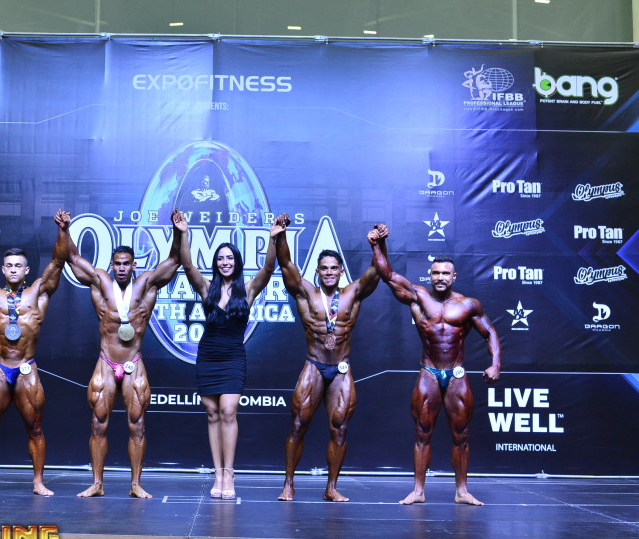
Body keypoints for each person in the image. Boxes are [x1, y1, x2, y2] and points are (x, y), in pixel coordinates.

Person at [368, 224, 500, 505]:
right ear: (430, 275)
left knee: (461, 435)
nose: (440, 278)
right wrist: (377, 245)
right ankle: (418, 491)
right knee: (422, 433)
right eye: (436, 273)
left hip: (456, 374)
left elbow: (489, 333)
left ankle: (462, 491)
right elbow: (388, 275)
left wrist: (495, 364)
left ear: (454, 277)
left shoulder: (468, 305)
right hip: (428, 371)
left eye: (445, 274)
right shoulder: (419, 297)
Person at [66, 209, 184, 498]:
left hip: (134, 362)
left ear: (134, 265)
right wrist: (65, 229)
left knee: (137, 425)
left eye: (126, 264)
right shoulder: (100, 282)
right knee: (98, 423)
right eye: (117, 263)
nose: (121, 268)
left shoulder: (146, 284)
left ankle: (135, 485)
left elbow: (174, 261)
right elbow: (73, 259)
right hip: (106, 362)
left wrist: (178, 232)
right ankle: (97, 483)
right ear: (112, 264)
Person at [174, 212, 287, 500]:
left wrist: (273, 239)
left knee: (228, 411)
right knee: (212, 415)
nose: (225, 262)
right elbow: (187, 265)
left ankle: (229, 471)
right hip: (208, 356)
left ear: (237, 262)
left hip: (233, 357)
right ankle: (217, 473)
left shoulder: (247, 290)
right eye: (221, 258)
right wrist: (183, 233)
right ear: (216, 263)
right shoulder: (206, 288)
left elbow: (268, 268)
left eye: (230, 258)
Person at [0, 210, 70, 495]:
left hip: (26, 367)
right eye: (9, 265)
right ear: (2, 269)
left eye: (18, 266)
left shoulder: (38, 292)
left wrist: (62, 230)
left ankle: (38, 482)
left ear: (26, 270)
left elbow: (58, 262)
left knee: (35, 428)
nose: (13, 269)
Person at [275, 225, 381, 502]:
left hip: (341, 369)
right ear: (318, 271)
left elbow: (376, 272)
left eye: (334, 268)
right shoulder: (306, 293)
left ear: (341, 271)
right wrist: (281, 236)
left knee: (340, 428)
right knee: (298, 425)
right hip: (314, 365)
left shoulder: (352, 294)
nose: (329, 272)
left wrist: (378, 245)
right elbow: (285, 264)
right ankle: (288, 484)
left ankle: (331, 487)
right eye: (324, 268)